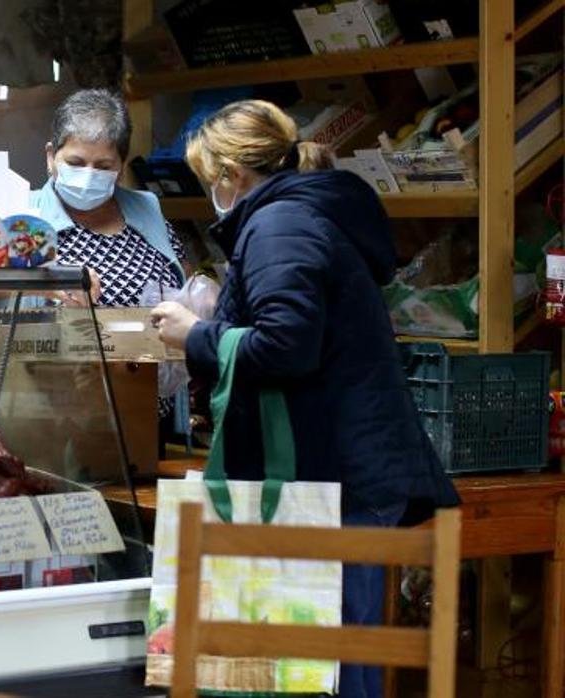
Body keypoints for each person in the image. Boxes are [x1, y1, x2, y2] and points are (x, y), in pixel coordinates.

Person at [149, 100, 459, 698]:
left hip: (332, 475)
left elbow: (287, 345)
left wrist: (197, 335)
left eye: (208, 178)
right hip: (344, 471)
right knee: (338, 656)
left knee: (327, 664)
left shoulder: (279, 225)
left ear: (229, 174)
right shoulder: (305, 214)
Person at [31, 88, 186, 309]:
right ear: (50, 156)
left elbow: (184, 276)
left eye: (103, 167)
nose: (88, 177)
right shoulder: (24, 212)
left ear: (121, 167)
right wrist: (48, 280)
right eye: (75, 163)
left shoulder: (147, 207)